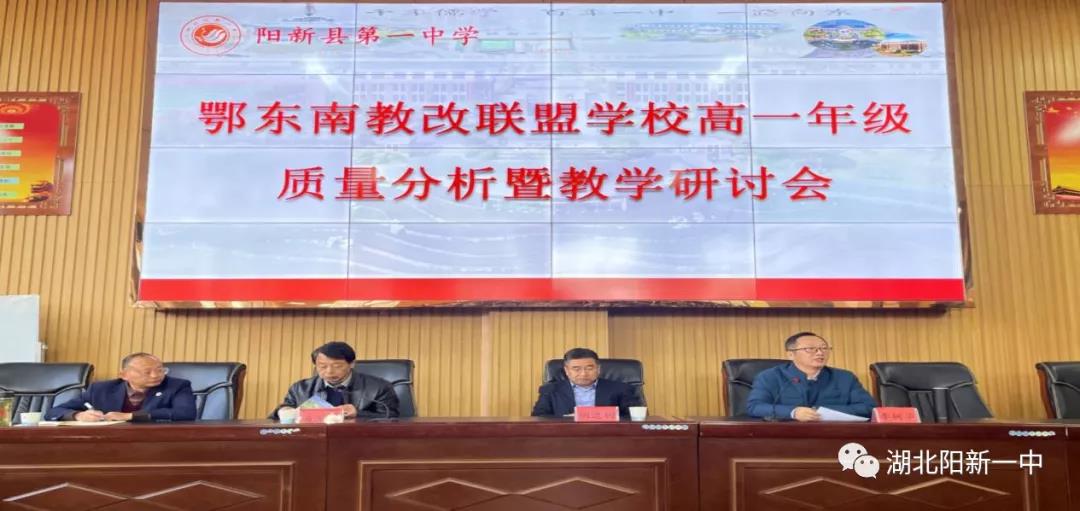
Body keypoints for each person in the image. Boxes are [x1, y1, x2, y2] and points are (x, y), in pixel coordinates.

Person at [746, 332, 877, 421]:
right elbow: (755, 407)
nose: (820, 353)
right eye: (810, 349)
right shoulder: (770, 377)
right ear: (791, 354)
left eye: (824, 348)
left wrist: (819, 412)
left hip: (834, 435)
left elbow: (868, 408)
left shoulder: (845, 377)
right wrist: (793, 412)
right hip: (785, 436)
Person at [46, 352, 196, 422]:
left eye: (160, 370)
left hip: (156, 443)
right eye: (147, 372)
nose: (155, 375)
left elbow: (185, 413)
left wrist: (129, 416)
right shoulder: (101, 389)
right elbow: (53, 412)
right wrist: (78, 416)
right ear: (124, 375)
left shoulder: (177, 386)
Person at [272, 341, 399, 419]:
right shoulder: (301, 388)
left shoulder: (379, 387)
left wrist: (359, 414)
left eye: (337, 366)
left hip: (360, 442)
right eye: (322, 366)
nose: (329, 372)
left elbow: (393, 418)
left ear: (352, 364)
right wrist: (284, 411)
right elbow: (280, 413)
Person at [531, 347, 643, 417]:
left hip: (607, 436)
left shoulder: (621, 389)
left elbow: (635, 417)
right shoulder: (550, 390)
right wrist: (567, 419)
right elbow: (539, 418)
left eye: (589, 368)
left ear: (598, 369)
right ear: (567, 371)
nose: (583, 374)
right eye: (576, 369)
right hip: (565, 437)